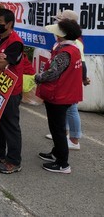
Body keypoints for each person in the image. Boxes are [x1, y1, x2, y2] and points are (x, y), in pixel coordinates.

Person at [0, 8, 32, 174]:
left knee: (10, 125)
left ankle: (14, 161)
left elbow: (2, 64)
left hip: (10, 90)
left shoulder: (16, 42)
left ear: (9, 24)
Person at [35, 19, 83, 174]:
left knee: (58, 129)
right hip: (66, 93)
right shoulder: (73, 49)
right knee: (57, 127)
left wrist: (38, 77)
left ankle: (63, 163)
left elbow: (53, 73)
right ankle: (56, 153)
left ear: (63, 35)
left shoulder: (64, 52)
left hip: (59, 94)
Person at [44, 10, 90, 150]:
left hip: (69, 82)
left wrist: (83, 78)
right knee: (67, 109)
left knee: (71, 109)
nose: (57, 22)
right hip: (65, 81)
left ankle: (74, 139)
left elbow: (81, 63)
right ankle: (62, 133)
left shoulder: (75, 43)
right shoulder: (63, 39)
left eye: (60, 20)